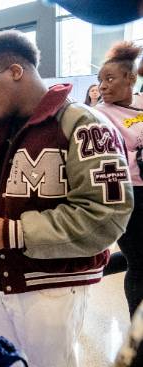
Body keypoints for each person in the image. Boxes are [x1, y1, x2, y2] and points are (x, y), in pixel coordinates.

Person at [0, 30, 133, 367]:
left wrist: (13, 233)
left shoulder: (83, 125)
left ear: (16, 71)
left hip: (52, 285)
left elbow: (106, 215)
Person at [95, 41, 143, 318]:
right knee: (139, 263)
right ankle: (137, 339)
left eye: (110, 79)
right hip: (127, 195)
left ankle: (93, 270)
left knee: (138, 257)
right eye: (100, 81)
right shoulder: (99, 114)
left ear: (131, 78)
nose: (103, 86)